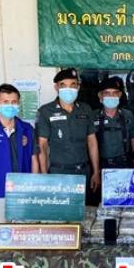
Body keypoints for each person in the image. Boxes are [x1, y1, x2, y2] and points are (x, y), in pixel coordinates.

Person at [0, 84, 40, 255]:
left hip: (24, 193)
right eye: (5, 102)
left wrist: (35, 190)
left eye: (14, 102)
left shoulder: (27, 129)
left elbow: (34, 160)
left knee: (25, 239)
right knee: (0, 240)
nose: (10, 105)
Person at [37, 68, 100, 200]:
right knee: (61, 210)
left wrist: (96, 172)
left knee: (85, 210)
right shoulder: (46, 111)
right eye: (63, 85)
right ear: (56, 87)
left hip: (83, 172)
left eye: (73, 85)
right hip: (59, 173)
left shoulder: (85, 109)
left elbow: (92, 142)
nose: (68, 89)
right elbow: (42, 146)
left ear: (78, 87)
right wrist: (44, 176)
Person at [93, 76, 134, 169]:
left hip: (124, 164)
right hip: (101, 164)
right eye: (107, 93)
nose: (111, 96)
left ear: (120, 95)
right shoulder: (93, 116)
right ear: (100, 95)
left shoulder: (128, 115)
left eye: (115, 93)